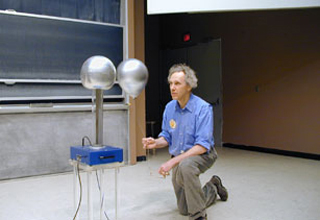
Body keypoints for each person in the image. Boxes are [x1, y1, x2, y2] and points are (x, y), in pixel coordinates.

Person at [142, 64, 228, 220]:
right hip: (180, 158)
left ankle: (199, 215)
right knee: (184, 209)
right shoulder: (169, 108)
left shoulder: (203, 108)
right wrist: (155, 142)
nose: (172, 88)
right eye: (171, 83)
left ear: (189, 86)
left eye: (177, 83)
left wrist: (172, 162)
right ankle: (213, 186)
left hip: (202, 154)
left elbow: (202, 146)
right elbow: (167, 136)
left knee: (186, 166)